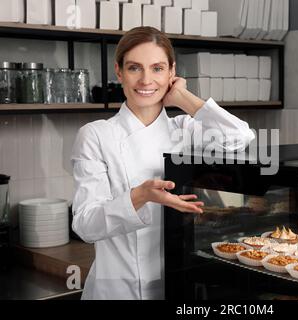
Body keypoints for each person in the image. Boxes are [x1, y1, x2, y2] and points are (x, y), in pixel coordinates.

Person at [71, 27, 255, 300]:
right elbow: (86, 226)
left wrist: (182, 98)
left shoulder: (185, 129)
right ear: (119, 72)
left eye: (157, 69)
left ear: (172, 72)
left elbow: (241, 137)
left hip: (177, 285)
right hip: (117, 290)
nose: (146, 80)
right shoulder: (97, 135)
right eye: (135, 68)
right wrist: (140, 196)